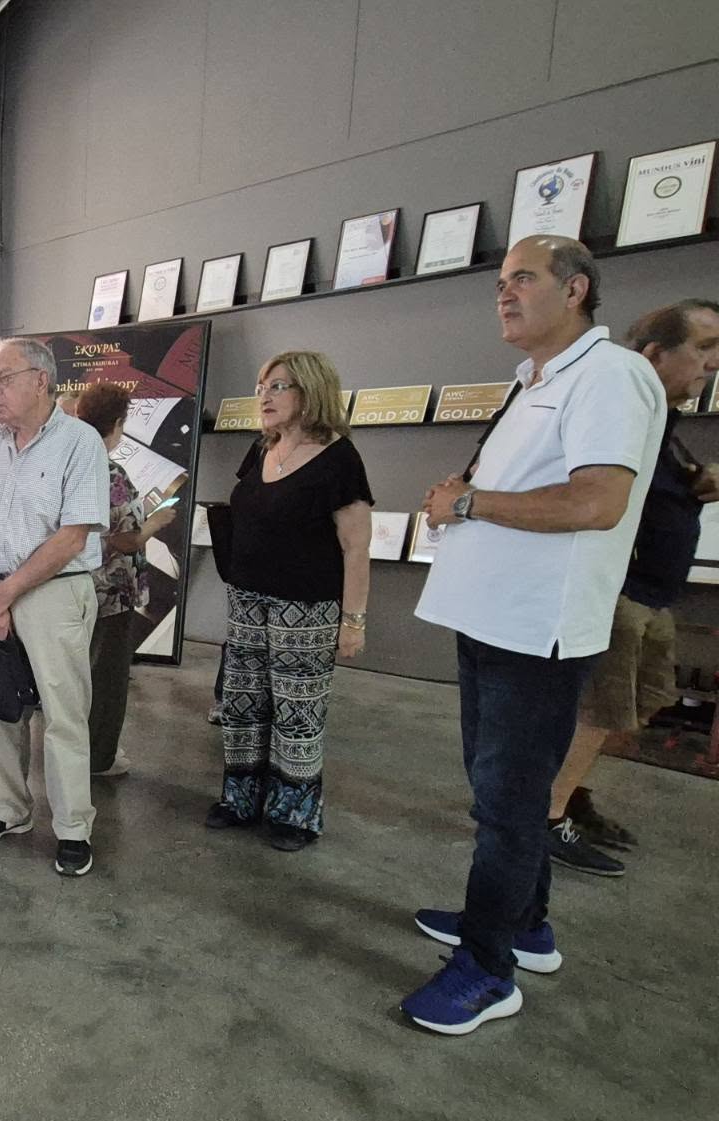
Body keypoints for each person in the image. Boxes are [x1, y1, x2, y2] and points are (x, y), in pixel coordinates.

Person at [402, 235, 663, 1036]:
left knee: (510, 808)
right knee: (500, 798)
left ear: (576, 290)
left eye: (523, 279)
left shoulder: (611, 375)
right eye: (499, 284)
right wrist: (466, 495)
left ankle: (487, 971)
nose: (504, 295)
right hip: (490, 618)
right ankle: (524, 924)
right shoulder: (538, 379)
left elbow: (596, 502)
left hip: (535, 630)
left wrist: (470, 504)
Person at [545, 299, 719, 876]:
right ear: (654, 354)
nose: (713, 363)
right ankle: (547, 818)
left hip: (649, 596)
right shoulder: (620, 411)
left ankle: (569, 797)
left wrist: (694, 482)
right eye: (703, 348)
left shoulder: (662, 423)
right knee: (597, 711)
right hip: (617, 594)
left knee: (625, 709)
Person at [205, 351, 373, 851]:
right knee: (243, 704)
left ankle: (294, 814)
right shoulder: (261, 448)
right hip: (246, 599)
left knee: (297, 714)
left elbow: (356, 547)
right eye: (262, 387)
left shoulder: (339, 459)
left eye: (277, 386)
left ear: (310, 391)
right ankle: (240, 799)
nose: (265, 396)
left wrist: (353, 621)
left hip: (305, 607)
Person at [0, 338, 109, 877]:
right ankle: (8, 808)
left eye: (4, 379)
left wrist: (7, 591)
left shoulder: (79, 441)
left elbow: (73, 536)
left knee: (63, 715)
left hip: (54, 593)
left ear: (41, 380)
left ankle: (72, 828)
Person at [75, 382, 181, 778]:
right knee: (108, 676)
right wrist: (156, 521)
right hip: (110, 591)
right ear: (118, 423)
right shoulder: (109, 470)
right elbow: (126, 539)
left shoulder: (69, 462)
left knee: (78, 674)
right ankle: (99, 757)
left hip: (75, 586)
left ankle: (77, 750)